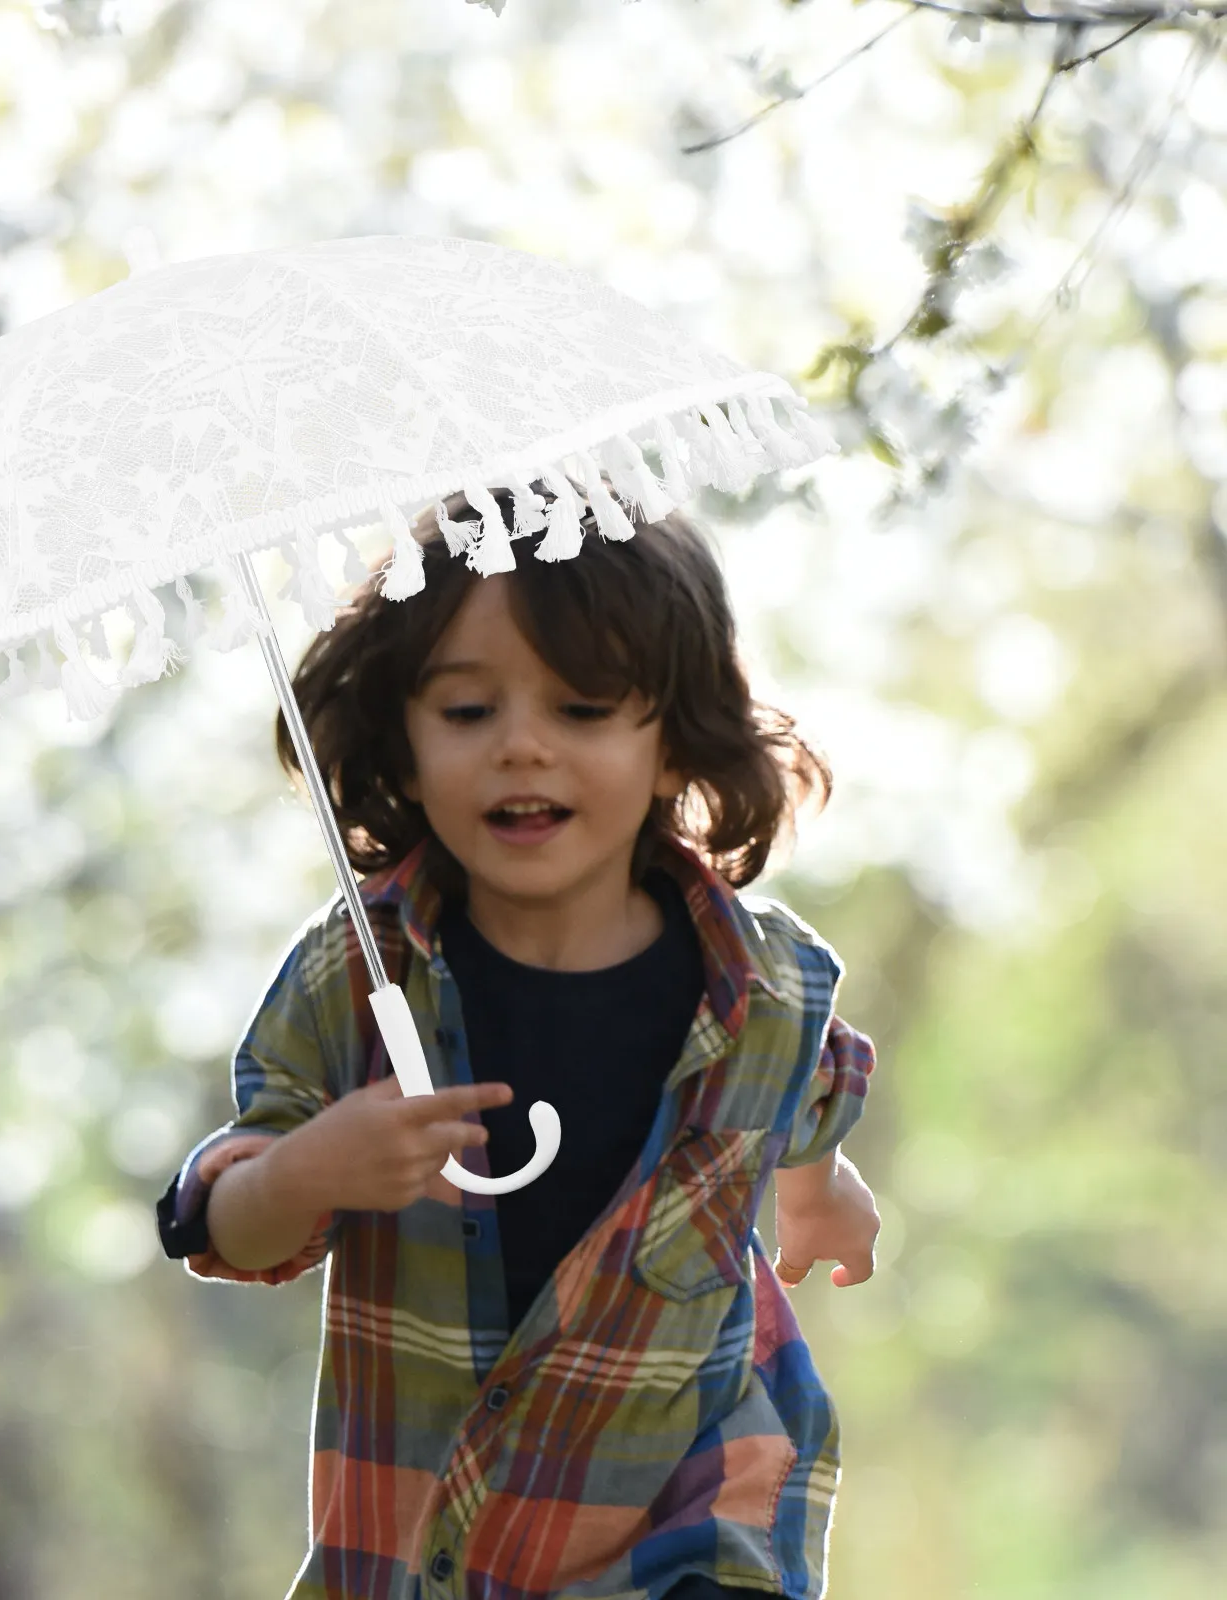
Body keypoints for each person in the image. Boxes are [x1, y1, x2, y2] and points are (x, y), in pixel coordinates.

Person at [156, 474, 881, 1600]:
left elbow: (809, 1096)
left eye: (582, 710)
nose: (521, 748)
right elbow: (224, 1222)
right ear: (400, 743)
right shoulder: (359, 978)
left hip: (695, 1513)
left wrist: (821, 1187)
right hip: (429, 1536)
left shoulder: (764, 987)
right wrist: (309, 1168)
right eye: (467, 711)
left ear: (675, 747)